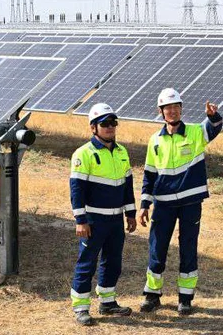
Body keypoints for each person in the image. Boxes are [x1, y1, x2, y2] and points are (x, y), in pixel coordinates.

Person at [139, 88, 223, 316]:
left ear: (181, 109)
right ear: (161, 112)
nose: (173, 111)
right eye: (168, 108)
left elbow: (214, 128)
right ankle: (152, 295)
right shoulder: (154, 140)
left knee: (188, 248)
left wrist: (213, 116)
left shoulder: (195, 132)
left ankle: (185, 299)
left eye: (176, 107)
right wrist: (145, 204)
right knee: (157, 248)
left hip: (190, 204)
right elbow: (150, 173)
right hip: (163, 204)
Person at [69, 103, 138, 326]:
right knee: (87, 263)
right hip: (93, 220)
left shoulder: (121, 152)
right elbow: (77, 190)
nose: (110, 127)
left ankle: (107, 303)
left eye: (113, 123)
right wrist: (81, 220)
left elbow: (127, 185)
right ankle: (81, 307)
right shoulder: (83, 154)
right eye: (104, 123)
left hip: (116, 220)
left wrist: (131, 213)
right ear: (93, 128)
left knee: (113, 262)